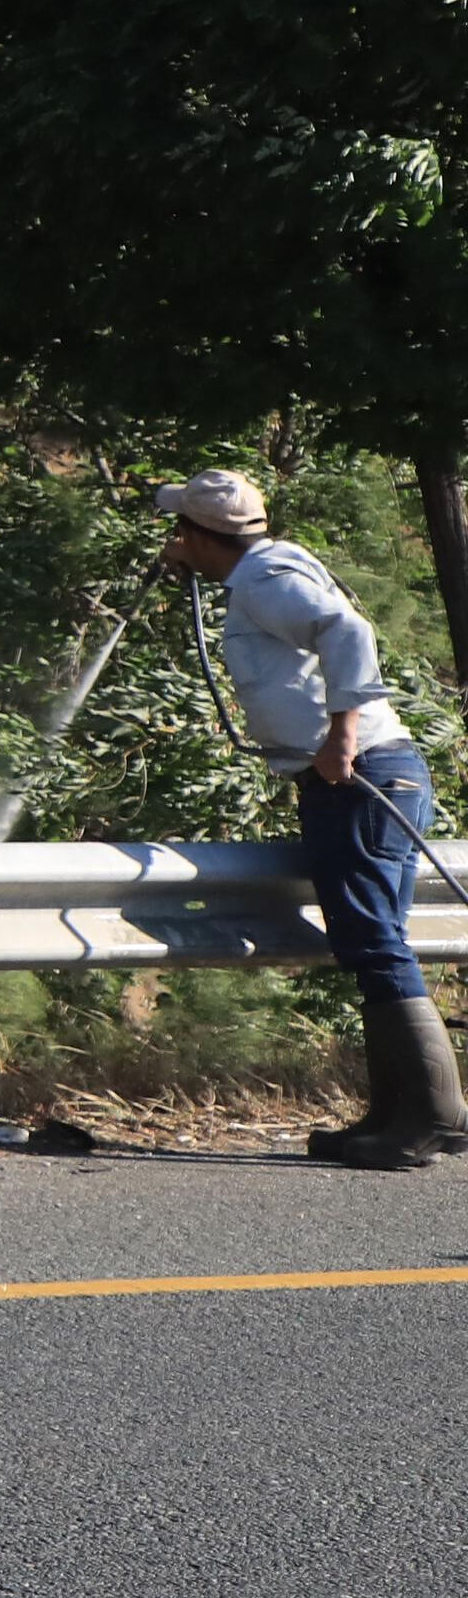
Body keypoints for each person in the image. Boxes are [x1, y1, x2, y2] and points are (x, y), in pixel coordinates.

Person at [157, 469, 468, 1168]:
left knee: (375, 940)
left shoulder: (265, 579)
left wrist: (340, 735)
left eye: (182, 531)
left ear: (204, 536)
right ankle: (394, 1115)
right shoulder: (264, 571)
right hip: (358, 774)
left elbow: (346, 631)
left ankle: (433, 1116)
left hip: (358, 774)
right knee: (368, 941)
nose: (175, 541)